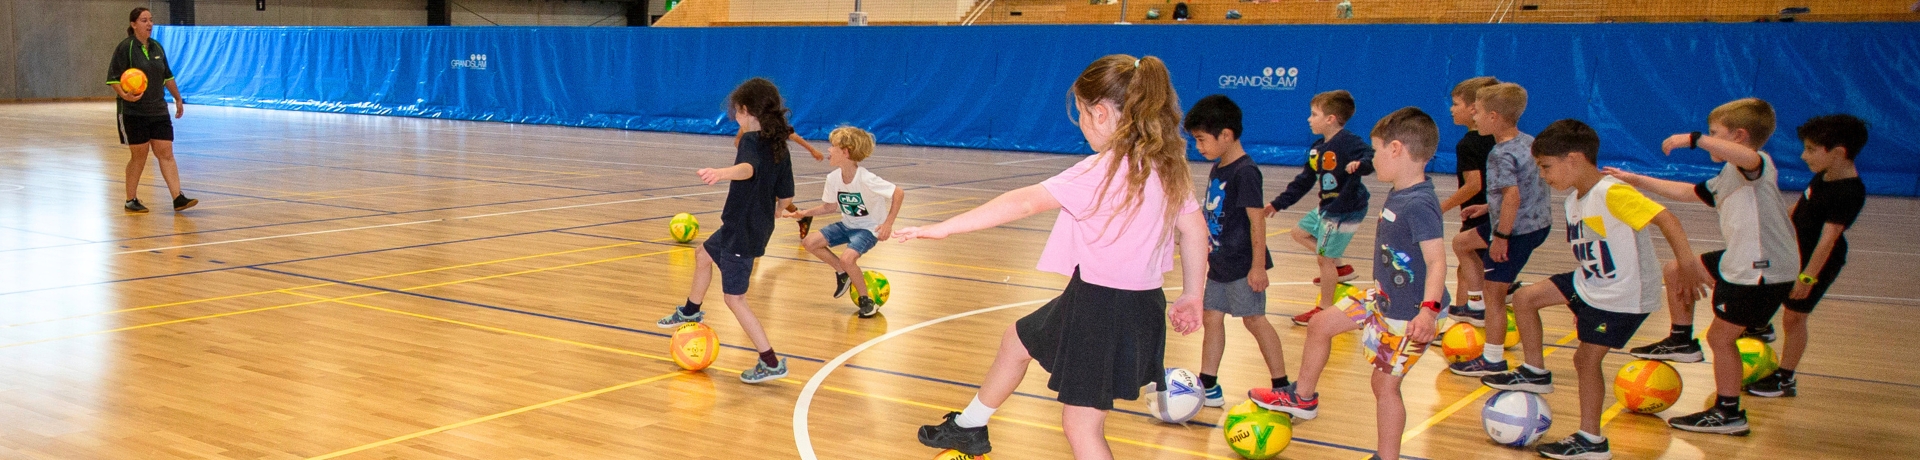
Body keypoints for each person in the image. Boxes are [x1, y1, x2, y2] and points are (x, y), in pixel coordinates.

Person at [908, 55, 1205, 458]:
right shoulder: (1167, 167)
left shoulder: (1102, 170)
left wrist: (944, 226)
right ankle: (970, 426)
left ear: (1099, 114)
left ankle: (971, 426)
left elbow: (1026, 202)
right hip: (1131, 302)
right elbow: (1194, 232)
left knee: (1081, 425)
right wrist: (1192, 294)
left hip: (1103, 308)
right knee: (1017, 340)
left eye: (1081, 113)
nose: (1081, 123)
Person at [1481, 119, 1711, 459]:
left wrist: (1687, 265)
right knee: (1526, 298)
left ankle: (1591, 441)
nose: (1543, 176)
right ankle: (1535, 372)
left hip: (1621, 296)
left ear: (1574, 159)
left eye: (1546, 167)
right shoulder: (1574, 199)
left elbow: (1667, 219)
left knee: (1585, 360)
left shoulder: (1611, 192)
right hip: (1590, 281)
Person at [1249, 107, 1449, 460]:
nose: (1372, 160)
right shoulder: (1402, 191)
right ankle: (1304, 398)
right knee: (1322, 324)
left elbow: (1436, 262)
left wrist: (1429, 312)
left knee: (1384, 386)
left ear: (1397, 149)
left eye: (1376, 151)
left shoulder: (1419, 202)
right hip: (1383, 296)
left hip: (1410, 312)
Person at [1609, 98, 1799, 435]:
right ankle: (1681, 341)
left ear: (1739, 136)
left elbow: (1749, 157)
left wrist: (1693, 139)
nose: (1709, 138)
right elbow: (1690, 191)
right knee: (1676, 270)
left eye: (1716, 133)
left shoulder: (1755, 164)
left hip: (1760, 270)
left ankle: (1728, 413)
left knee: (1721, 338)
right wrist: (1635, 179)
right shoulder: (1731, 172)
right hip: (1741, 260)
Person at [655, 77, 800, 384]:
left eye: (736, 111)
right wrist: (773, 210)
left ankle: (770, 361)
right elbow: (787, 196)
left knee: (735, 299)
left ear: (746, 110)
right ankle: (691, 311)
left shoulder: (750, 141)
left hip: (742, 232)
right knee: (703, 254)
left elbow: (749, 169)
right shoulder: (779, 147)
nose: (734, 117)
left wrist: (721, 173)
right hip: (747, 226)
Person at [1746, 114, 1870, 398]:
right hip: (1791, 252)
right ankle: (1760, 327)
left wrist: (1806, 278)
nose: (1803, 155)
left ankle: (1785, 379)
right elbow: (1799, 210)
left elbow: (1828, 241)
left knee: (1794, 319)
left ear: (1839, 153)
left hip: (1817, 263)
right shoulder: (1825, 175)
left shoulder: (1850, 192)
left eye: (1811, 150)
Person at [1184, 94, 1289, 408]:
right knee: (1211, 318)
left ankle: (1282, 386)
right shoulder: (1220, 167)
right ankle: (1209, 384)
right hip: (1219, 263)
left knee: (1254, 320)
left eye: (1202, 140)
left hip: (1242, 265)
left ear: (1226, 135)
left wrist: (1257, 266)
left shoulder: (1245, 172)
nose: (1198, 147)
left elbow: (1257, 222)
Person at [1447, 82, 1552, 378]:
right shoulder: (1528, 143)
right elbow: (1525, 191)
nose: (1474, 118)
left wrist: (1501, 237)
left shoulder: (1500, 153)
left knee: (1496, 295)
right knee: (1461, 243)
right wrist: (1486, 208)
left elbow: (1512, 196)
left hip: (1515, 230)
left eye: (1477, 112)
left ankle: (1491, 358)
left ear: (1493, 116)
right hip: (1531, 222)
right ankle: (1476, 303)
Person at [1265, 89, 1373, 327]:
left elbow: (1370, 156)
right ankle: (1340, 266)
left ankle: (1323, 309)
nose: (1309, 119)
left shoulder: (1349, 142)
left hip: (1345, 208)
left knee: (1324, 260)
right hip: (1327, 206)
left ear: (1330, 118)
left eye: (1314, 114)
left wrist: (1360, 164)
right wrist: (1278, 203)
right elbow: (1304, 180)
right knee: (1299, 232)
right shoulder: (1317, 148)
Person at [786, 126, 903, 318]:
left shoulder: (866, 178)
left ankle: (867, 301)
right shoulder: (833, 178)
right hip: (847, 225)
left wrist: (888, 224)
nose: (829, 150)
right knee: (810, 242)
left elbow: (898, 192)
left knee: (848, 258)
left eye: (833, 146)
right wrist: (804, 212)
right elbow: (829, 207)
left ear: (846, 152)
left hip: (868, 229)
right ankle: (842, 272)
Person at [110, 6, 195, 213]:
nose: (149, 24)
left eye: (150, 20)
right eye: (144, 20)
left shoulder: (157, 47)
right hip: (133, 112)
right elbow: (113, 78)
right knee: (139, 155)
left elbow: (167, 76)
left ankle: (178, 197)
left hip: (158, 110)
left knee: (166, 152)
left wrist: (177, 97)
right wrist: (125, 95)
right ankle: (131, 199)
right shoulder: (126, 48)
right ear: (133, 24)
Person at [1440, 76, 1500, 324]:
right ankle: (1462, 308)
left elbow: (1474, 184)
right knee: (1467, 265)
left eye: (1456, 104)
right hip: (1495, 210)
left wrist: (1441, 207)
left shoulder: (1468, 143)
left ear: (1474, 108)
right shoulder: (1496, 137)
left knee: (1469, 258)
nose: (1452, 109)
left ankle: (1475, 307)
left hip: (1478, 212)